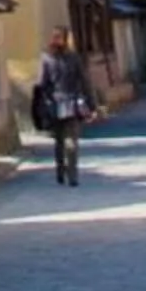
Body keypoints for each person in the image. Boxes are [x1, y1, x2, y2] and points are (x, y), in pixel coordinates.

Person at [32, 28, 92, 185]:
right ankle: (70, 173)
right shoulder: (73, 58)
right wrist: (91, 103)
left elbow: (41, 84)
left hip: (57, 104)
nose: (57, 40)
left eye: (58, 37)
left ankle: (63, 171)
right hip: (69, 102)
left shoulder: (47, 58)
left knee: (61, 140)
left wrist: (40, 105)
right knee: (68, 140)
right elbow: (84, 81)